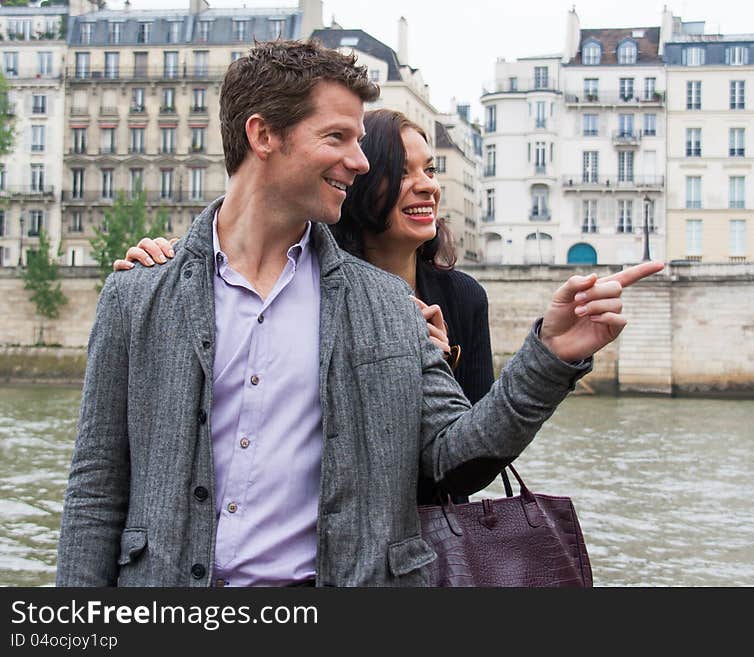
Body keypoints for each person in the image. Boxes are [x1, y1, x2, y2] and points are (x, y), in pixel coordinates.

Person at [56, 39, 662, 587]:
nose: (362, 160)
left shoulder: (387, 303)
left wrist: (551, 357)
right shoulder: (138, 296)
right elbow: (95, 494)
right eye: (337, 137)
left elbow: (454, 453)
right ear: (264, 135)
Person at [116, 108, 495, 505]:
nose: (426, 187)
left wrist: (437, 367)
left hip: (433, 541)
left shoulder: (464, 298)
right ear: (356, 186)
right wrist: (167, 263)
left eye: (430, 171)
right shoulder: (304, 285)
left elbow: (471, 465)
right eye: (401, 173)